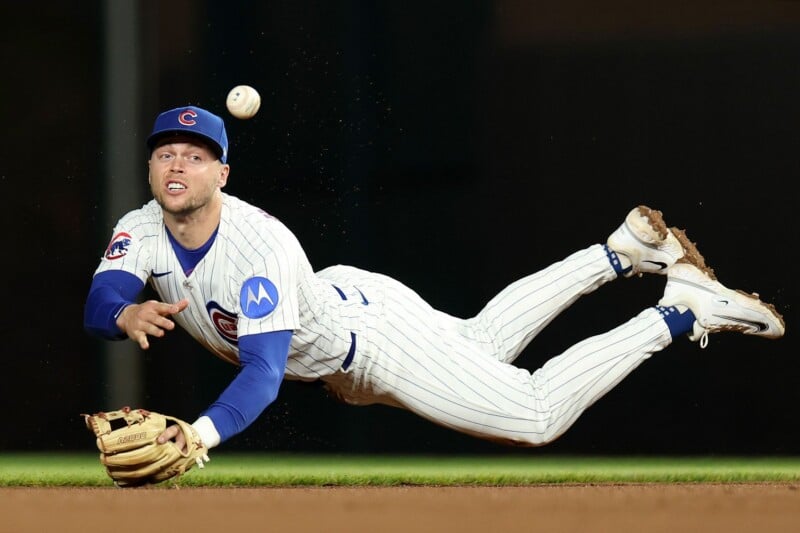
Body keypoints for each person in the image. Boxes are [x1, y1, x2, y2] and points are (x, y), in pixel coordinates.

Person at [84, 105, 785, 452]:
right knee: (480, 340)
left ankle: (676, 312)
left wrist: (199, 436)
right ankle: (619, 251)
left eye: (197, 155)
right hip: (345, 300)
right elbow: (101, 297)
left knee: (535, 414)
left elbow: (264, 374)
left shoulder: (256, 248)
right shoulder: (144, 223)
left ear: (223, 175)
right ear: (151, 170)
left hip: (371, 342)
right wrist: (123, 315)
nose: (178, 165)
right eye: (166, 153)